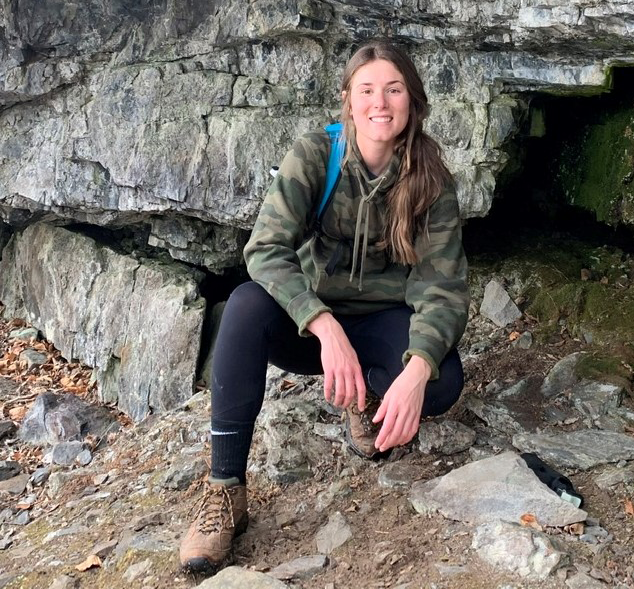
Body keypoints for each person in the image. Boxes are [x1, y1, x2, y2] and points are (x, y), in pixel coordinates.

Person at [179, 39, 470, 574]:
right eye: (367, 90)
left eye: (393, 89)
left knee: (444, 380)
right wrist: (322, 324)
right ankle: (224, 489)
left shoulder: (430, 180)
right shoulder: (315, 155)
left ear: (412, 100)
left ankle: (366, 398)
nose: (379, 103)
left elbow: (443, 288)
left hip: (384, 321)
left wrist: (417, 371)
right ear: (348, 99)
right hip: (314, 328)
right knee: (243, 306)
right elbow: (265, 249)